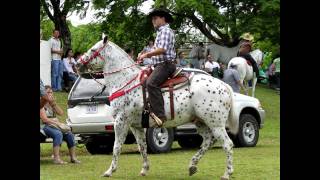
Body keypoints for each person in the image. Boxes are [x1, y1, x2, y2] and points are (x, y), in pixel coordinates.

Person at [137, 8, 176, 126]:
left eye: (155, 18)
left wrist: (147, 54)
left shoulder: (165, 31)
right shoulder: (160, 32)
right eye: (152, 19)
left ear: (163, 18)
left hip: (165, 65)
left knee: (151, 83)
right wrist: (143, 55)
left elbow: (162, 50)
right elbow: (156, 50)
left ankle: (160, 116)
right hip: (159, 65)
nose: (153, 21)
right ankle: (147, 109)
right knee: (142, 82)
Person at [40, 85, 80, 164]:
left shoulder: (51, 104)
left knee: (69, 134)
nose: (50, 94)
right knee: (58, 134)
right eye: (48, 93)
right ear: (43, 94)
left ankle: (73, 157)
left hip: (53, 125)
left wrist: (53, 104)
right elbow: (45, 119)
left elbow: (61, 113)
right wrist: (57, 122)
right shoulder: (41, 104)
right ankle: (56, 158)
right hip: (44, 126)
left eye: (51, 92)